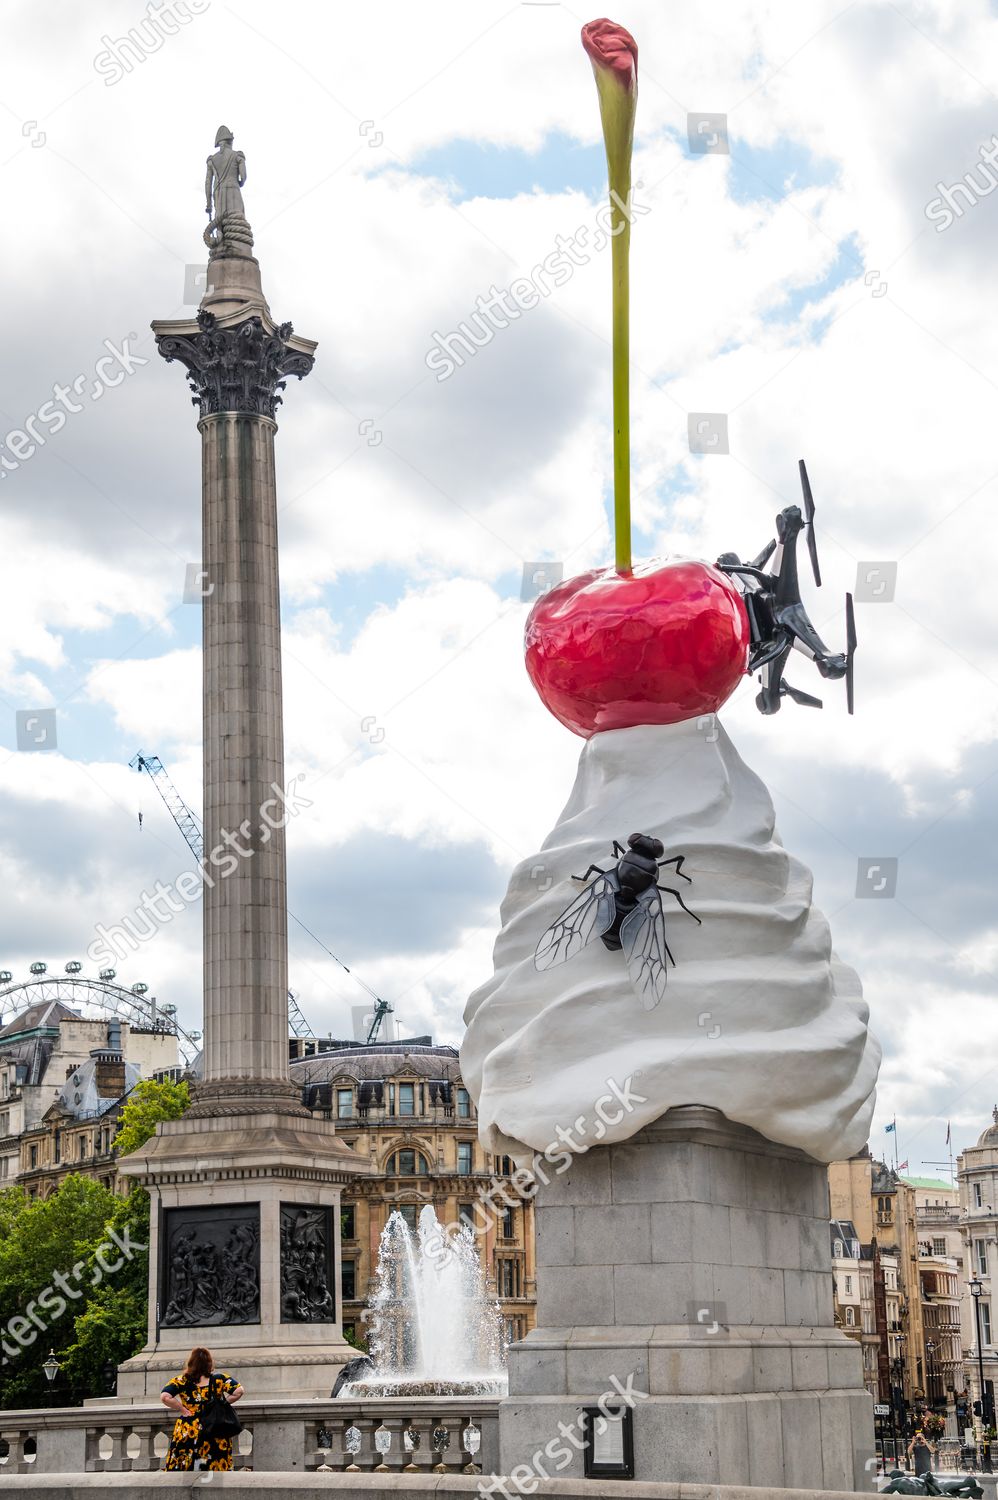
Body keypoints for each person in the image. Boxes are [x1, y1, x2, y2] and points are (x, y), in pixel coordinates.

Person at [161, 1346, 244, 1472]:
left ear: (191, 1363)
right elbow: (239, 1391)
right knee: (213, 1468)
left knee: (186, 1468)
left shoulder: (181, 1380)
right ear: (209, 1363)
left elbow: (165, 1397)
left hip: (189, 1428)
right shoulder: (219, 1379)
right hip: (215, 1427)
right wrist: (222, 1403)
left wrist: (183, 1409)